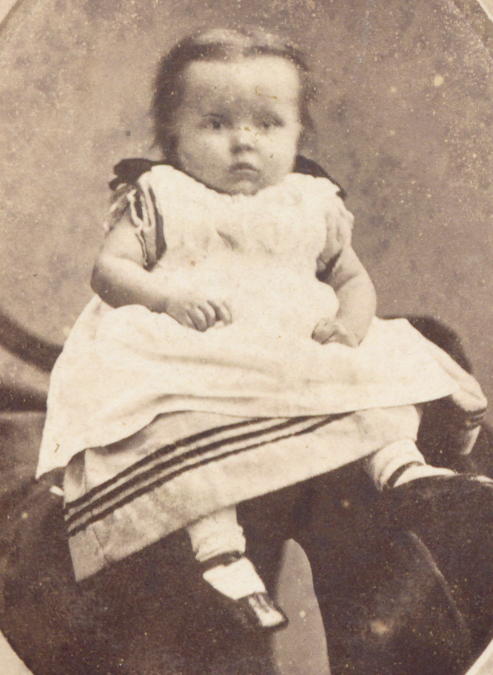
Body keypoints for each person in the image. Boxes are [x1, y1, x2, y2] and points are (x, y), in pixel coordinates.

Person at [37, 27, 487, 633]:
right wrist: (166, 298)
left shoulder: (310, 200)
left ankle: (403, 475)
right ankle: (219, 555)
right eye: (216, 123)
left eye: (268, 124)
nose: (244, 141)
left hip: (290, 343)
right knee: (179, 421)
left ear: (298, 132)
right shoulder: (163, 193)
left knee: (370, 374)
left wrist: (349, 326)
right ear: (173, 134)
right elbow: (110, 270)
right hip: (196, 346)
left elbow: (353, 280)